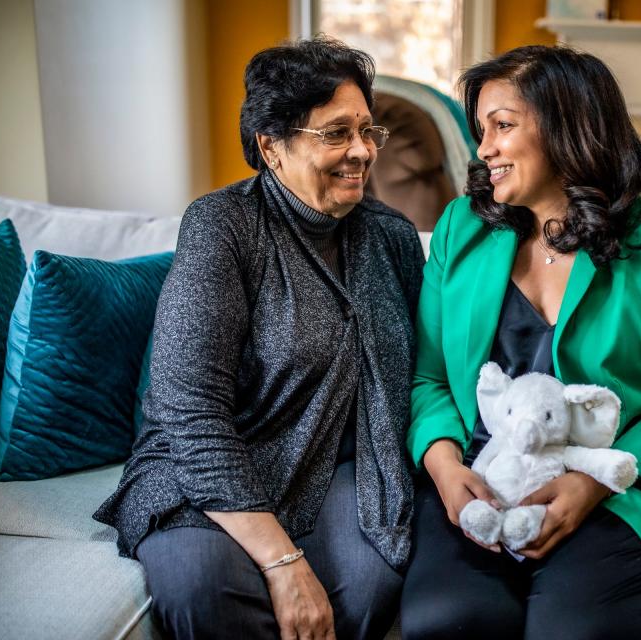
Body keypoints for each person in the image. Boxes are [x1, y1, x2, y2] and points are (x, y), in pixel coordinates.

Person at [400, 45, 641, 640]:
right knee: (447, 622)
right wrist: (443, 466)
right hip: (486, 476)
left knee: (573, 631)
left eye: (503, 126)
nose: (483, 148)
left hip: (617, 483)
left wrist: (594, 482)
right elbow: (430, 378)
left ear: (569, 128)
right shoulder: (461, 229)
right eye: (481, 129)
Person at [94, 37, 423, 640]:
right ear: (271, 147)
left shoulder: (391, 237)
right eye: (335, 133)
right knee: (200, 585)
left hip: (342, 464)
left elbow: (428, 374)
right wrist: (283, 561)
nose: (360, 152)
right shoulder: (223, 226)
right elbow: (187, 408)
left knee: (373, 581)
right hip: (212, 464)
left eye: (367, 131)